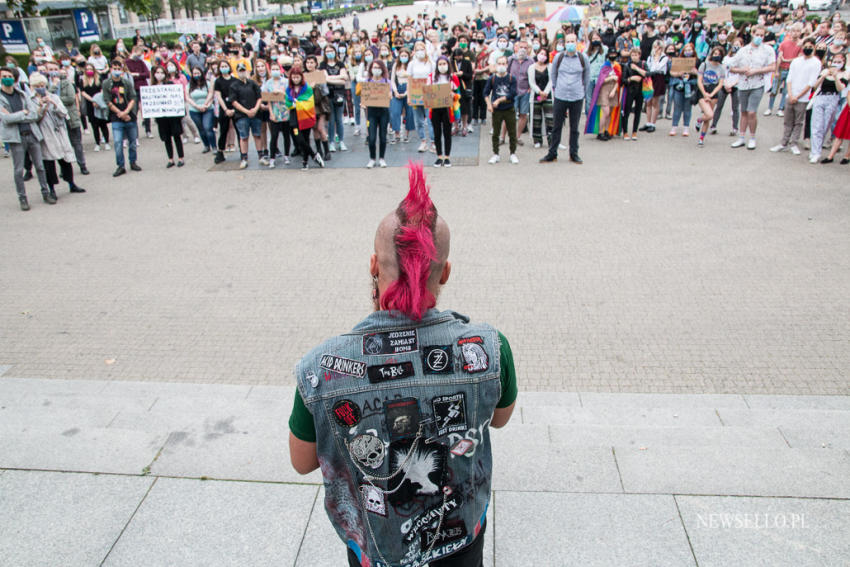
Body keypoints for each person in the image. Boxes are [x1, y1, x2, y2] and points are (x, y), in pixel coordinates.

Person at [287, 162, 517, 567]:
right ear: (444, 272)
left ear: (374, 265)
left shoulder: (320, 368)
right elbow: (498, 420)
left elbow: (302, 461)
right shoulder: (491, 348)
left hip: (375, 552)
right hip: (460, 542)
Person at [0, 67, 52, 210]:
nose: (7, 78)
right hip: (16, 138)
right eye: (4, 76)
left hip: (31, 134)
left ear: (15, 78)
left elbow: (34, 115)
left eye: (9, 75)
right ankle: (22, 198)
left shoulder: (22, 94)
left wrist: (17, 115)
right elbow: (5, 119)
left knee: (40, 167)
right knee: (18, 170)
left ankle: (46, 193)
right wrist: (23, 113)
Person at [30, 73, 85, 199]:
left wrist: (53, 104)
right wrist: (41, 106)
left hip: (59, 132)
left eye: (43, 85)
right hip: (46, 134)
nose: (41, 87)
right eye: (38, 85)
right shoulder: (31, 100)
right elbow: (34, 118)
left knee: (65, 160)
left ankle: (71, 184)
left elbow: (64, 112)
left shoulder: (54, 97)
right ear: (33, 86)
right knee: (49, 163)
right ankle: (52, 189)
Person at [770, 39, 821, 159]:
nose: (807, 48)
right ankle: (784, 142)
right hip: (790, 95)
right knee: (788, 121)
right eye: (805, 46)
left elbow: (811, 82)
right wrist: (791, 94)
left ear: (813, 47)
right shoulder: (796, 61)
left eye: (810, 46)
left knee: (798, 122)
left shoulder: (816, 63)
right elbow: (789, 78)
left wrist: (798, 96)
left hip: (802, 98)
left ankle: (794, 143)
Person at [542, 33, 589, 164]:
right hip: (561, 95)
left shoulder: (582, 58)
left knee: (574, 128)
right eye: (567, 41)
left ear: (576, 42)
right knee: (556, 126)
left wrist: (582, 90)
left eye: (572, 41)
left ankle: (574, 153)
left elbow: (586, 76)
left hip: (577, 96)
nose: (570, 44)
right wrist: (557, 87)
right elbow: (554, 74)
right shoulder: (559, 57)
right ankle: (552, 153)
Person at [728, 26, 776, 150]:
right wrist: (742, 70)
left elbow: (772, 67)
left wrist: (757, 71)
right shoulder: (743, 50)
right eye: (757, 35)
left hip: (757, 84)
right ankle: (742, 137)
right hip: (743, 85)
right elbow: (731, 66)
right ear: (752, 34)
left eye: (762, 35)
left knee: (752, 112)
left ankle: (753, 137)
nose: (759, 37)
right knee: (743, 111)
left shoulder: (767, 50)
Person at [46, 59, 88, 175]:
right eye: (51, 70)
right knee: (60, 145)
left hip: (70, 118)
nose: (54, 72)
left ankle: (82, 165)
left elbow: (70, 99)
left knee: (76, 143)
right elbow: (45, 99)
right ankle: (64, 169)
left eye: (55, 69)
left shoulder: (67, 83)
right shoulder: (45, 85)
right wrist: (53, 87)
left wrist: (55, 100)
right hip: (54, 120)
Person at [102, 59, 141, 177]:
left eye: (119, 69)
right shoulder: (106, 84)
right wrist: (120, 113)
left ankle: (133, 162)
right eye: (115, 69)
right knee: (118, 142)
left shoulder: (126, 82)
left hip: (129, 116)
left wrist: (127, 112)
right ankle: (121, 166)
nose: (117, 71)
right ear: (110, 69)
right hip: (116, 117)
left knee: (132, 142)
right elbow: (107, 100)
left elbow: (133, 97)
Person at [285, 65, 325, 170]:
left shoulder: (306, 88)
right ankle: (314, 155)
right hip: (294, 116)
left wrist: (298, 103)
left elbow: (309, 101)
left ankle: (305, 161)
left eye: (297, 77)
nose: (295, 79)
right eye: (293, 77)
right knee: (299, 139)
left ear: (301, 77)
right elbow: (287, 101)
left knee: (306, 138)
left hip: (305, 115)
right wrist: (293, 104)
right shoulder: (289, 89)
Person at [809, 53, 847, 164]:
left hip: (833, 99)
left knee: (825, 125)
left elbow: (840, 89)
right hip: (821, 97)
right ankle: (815, 152)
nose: (836, 63)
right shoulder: (824, 71)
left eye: (839, 62)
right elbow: (815, 86)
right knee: (816, 125)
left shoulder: (844, 74)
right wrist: (823, 76)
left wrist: (835, 76)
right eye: (835, 61)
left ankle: (817, 148)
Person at [484, 54, 518, 164]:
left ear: (507, 65)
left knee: (512, 132)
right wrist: (489, 104)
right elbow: (485, 93)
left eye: (504, 63)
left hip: (509, 108)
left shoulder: (512, 78)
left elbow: (512, 93)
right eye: (499, 64)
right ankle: (495, 153)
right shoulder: (492, 78)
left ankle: (513, 153)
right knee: (495, 132)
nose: (501, 66)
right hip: (497, 110)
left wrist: (499, 100)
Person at [229, 62, 265, 169]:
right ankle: (244, 158)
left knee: (257, 135)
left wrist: (255, 109)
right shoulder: (234, 86)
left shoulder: (252, 83)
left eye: (243, 70)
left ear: (247, 71)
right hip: (242, 115)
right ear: (237, 72)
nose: (242, 72)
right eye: (240, 71)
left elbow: (259, 97)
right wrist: (246, 111)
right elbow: (234, 102)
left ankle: (261, 156)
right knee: (244, 137)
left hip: (255, 114)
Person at [150, 65, 185, 168]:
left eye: (161, 73)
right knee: (166, 138)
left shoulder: (169, 84)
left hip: (172, 115)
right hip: (161, 117)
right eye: (157, 73)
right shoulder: (152, 87)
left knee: (176, 136)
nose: (159, 75)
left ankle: (180, 157)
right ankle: (170, 159)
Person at [585, 49, 622, 142]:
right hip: (604, 89)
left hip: (613, 89)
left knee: (610, 112)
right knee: (605, 111)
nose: (613, 55)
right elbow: (601, 80)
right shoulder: (605, 66)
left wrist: (614, 90)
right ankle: (600, 131)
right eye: (611, 54)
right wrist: (611, 78)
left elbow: (619, 80)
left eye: (614, 54)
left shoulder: (617, 66)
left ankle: (607, 130)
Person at [766, 23, 802, 117]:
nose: (795, 33)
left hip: (791, 70)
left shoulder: (800, 45)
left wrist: (787, 60)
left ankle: (781, 108)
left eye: (797, 31)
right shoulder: (784, 43)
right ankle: (769, 107)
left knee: (786, 91)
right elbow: (779, 57)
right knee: (774, 89)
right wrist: (776, 70)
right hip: (782, 68)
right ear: (790, 32)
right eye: (793, 31)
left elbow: (798, 58)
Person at [320, 43, 350, 152]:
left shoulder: (340, 64)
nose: (329, 53)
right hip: (328, 95)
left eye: (331, 51)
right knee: (331, 120)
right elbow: (325, 79)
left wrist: (331, 78)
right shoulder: (323, 65)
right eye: (327, 51)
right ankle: (331, 142)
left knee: (339, 119)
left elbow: (344, 78)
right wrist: (338, 78)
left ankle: (341, 141)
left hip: (340, 94)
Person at [430, 56, 459, 168]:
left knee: (447, 132)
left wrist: (454, 95)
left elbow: (459, 94)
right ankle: (439, 156)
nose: (442, 66)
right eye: (440, 64)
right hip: (435, 107)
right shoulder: (431, 77)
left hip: (448, 108)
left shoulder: (453, 78)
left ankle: (447, 157)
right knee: (437, 133)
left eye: (444, 64)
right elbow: (427, 92)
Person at [362, 59, 391, 169]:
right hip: (372, 113)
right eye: (374, 67)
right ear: (370, 69)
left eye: (379, 68)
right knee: (372, 137)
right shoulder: (368, 81)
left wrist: (389, 95)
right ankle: (372, 158)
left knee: (383, 137)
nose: (376, 70)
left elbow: (390, 95)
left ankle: (382, 158)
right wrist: (363, 103)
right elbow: (364, 97)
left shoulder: (386, 82)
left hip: (383, 111)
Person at [695, 46, 726, 146]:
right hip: (703, 90)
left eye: (719, 54)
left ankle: (701, 138)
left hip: (713, 91)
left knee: (708, 118)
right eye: (715, 54)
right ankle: (699, 120)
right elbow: (699, 80)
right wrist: (705, 94)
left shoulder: (721, 68)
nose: (717, 56)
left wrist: (712, 94)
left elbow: (720, 84)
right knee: (709, 114)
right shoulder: (704, 65)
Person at [263, 62, 292, 168]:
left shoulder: (286, 82)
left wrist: (281, 93)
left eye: (277, 69)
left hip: (285, 110)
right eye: (273, 69)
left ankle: (286, 155)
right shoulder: (268, 83)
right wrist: (271, 113)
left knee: (286, 135)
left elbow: (290, 95)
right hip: (275, 111)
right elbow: (268, 100)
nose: (275, 71)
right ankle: (272, 157)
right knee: (274, 136)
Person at [669, 44, 698, 137]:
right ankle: (674, 126)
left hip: (690, 86)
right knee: (677, 106)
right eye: (686, 50)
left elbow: (701, 74)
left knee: (687, 108)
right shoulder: (679, 60)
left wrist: (695, 72)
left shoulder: (697, 61)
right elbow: (671, 72)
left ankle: (686, 127)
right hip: (679, 86)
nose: (688, 52)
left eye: (690, 50)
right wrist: (678, 73)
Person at [186, 66, 216, 154]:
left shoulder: (208, 83)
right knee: (201, 129)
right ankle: (206, 145)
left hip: (207, 108)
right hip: (194, 110)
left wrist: (206, 105)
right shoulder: (189, 85)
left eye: (198, 73)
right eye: (194, 73)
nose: (196, 75)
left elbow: (211, 94)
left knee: (208, 127)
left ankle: (214, 146)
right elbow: (188, 97)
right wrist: (197, 106)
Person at [80, 63, 110, 151]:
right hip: (90, 104)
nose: (89, 71)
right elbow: (83, 92)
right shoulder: (83, 80)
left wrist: (97, 100)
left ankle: (107, 142)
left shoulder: (98, 79)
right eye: (87, 69)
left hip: (99, 103)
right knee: (94, 126)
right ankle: (97, 143)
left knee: (103, 124)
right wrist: (92, 100)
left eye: (91, 69)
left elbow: (102, 90)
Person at [528, 46, 552, 149]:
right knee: (536, 118)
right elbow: (531, 82)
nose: (542, 56)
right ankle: (537, 140)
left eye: (544, 54)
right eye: (540, 53)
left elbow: (552, 80)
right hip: (535, 96)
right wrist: (539, 92)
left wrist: (545, 92)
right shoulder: (532, 67)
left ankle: (552, 140)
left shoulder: (550, 67)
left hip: (548, 95)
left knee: (550, 118)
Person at [390, 48, 415, 144]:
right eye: (402, 56)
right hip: (398, 88)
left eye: (405, 56)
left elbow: (412, 80)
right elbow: (392, 79)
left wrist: (406, 93)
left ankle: (406, 134)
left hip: (408, 89)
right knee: (395, 112)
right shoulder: (396, 65)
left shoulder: (411, 66)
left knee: (409, 112)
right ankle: (397, 133)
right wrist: (395, 91)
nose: (403, 58)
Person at [621, 47, 647, 140]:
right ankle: (625, 132)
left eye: (636, 55)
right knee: (626, 111)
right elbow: (623, 80)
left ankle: (635, 131)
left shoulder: (643, 64)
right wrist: (631, 78)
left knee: (638, 111)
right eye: (632, 55)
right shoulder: (627, 65)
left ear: (639, 55)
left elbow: (647, 74)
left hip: (640, 90)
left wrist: (637, 69)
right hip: (630, 90)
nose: (634, 57)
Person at [213, 61, 236, 164]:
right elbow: (218, 97)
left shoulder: (235, 80)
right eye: (222, 66)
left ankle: (243, 153)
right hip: (224, 109)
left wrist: (234, 109)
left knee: (238, 130)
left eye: (225, 66)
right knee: (223, 131)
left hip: (235, 107)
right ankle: (220, 151)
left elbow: (237, 95)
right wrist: (226, 109)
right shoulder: (218, 81)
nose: (224, 68)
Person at [643, 39, 668, 132]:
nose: (656, 49)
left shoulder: (664, 57)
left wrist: (657, 57)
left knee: (655, 102)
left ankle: (653, 123)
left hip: (658, 78)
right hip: (650, 79)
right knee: (648, 101)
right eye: (655, 47)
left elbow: (656, 67)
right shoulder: (650, 57)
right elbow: (648, 67)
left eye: (659, 47)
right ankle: (648, 122)